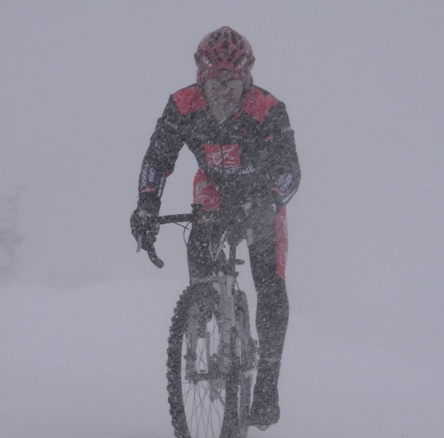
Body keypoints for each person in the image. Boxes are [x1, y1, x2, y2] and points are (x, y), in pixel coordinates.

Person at [130, 26, 300, 428]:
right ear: (200, 78)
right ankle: (205, 308)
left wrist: (271, 198)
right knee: (201, 242)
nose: (223, 92)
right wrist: (146, 206)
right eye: (214, 83)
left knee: (270, 284)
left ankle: (267, 383)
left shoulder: (268, 108)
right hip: (213, 188)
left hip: (260, 194)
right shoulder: (182, 104)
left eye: (232, 83)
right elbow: (156, 158)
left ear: (248, 79)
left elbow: (291, 170)